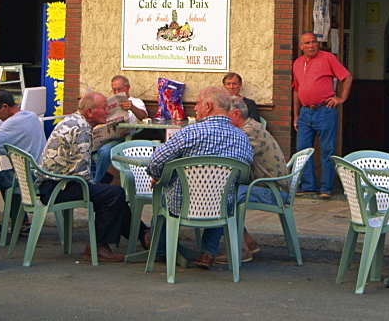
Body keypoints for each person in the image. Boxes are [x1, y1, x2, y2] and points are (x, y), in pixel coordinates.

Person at [146, 86, 254, 270]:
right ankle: (208, 252)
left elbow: (155, 161)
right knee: (221, 193)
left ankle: (162, 250)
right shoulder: (242, 137)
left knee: (163, 196)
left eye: (197, 103)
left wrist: (159, 177)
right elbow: (243, 175)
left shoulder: (188, 133)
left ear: (209, 106)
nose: (195, 108)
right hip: (220, 206)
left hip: (181, 204)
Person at [38, 92, 148, 263]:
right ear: (89, 112)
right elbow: (80, 172)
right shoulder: (81, 129)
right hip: (58, 188)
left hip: (54, 183)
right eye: (104, 108)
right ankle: (98, 246)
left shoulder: (73, 120)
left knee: (109, 185)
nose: (107, 112)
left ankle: (142, 234)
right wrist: (96, 184)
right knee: (115, 193)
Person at [209, 96, 288, 264]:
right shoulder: (250, 126)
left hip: (273, 192)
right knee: (225, 193)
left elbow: (234, 160)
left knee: (223, 197)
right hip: (269, 186)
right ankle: (247, 241)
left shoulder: (249, 131)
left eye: (224, 114)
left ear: (236, 113)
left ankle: (240, 250)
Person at [292, 31, 352, 199]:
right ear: (301, 46)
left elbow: (347, 77)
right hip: (305, 112)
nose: (311, 45)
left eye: (314, 42)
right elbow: (296, 90)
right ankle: (309, 186)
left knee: (327, 150)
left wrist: (341, 98)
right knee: (302, 150)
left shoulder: (328, 58)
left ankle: (326, 188)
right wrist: (296, 115)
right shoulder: (297, 63)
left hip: (325, 110)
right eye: (307, 43)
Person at [0, 88, 47, 214]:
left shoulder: (12, 123)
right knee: (8, 176)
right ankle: (21, 223)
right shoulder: (31, 116)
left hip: (30, 176)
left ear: (5, 107)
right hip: (39, 171)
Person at [91, 75, 149, 184]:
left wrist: (132, 108)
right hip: (105, 136)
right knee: (83, 147)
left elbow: (144, 117)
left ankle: (95, 182)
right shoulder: (108, 103)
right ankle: (103, 177)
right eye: (114, 90)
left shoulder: (136, 102)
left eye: (119, 89)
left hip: (124, 138)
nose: (116, 92)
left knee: (104, 152)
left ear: (127, 88)